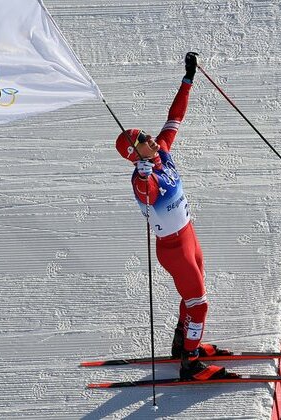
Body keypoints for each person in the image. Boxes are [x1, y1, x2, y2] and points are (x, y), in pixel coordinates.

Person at [115, 52, 233, 381]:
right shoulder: (142, 179)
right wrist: (142, 174)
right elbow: (145, 190)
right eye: (141, 140)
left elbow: (174, 118)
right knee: (199, 304)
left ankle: (183, 343)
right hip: (173, 248)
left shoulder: (162, 151)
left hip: (188, 235)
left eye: (145, 135)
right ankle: (191, 364)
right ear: (134, 154)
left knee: (193, 296)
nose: (149, 138)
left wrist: (188, 80)